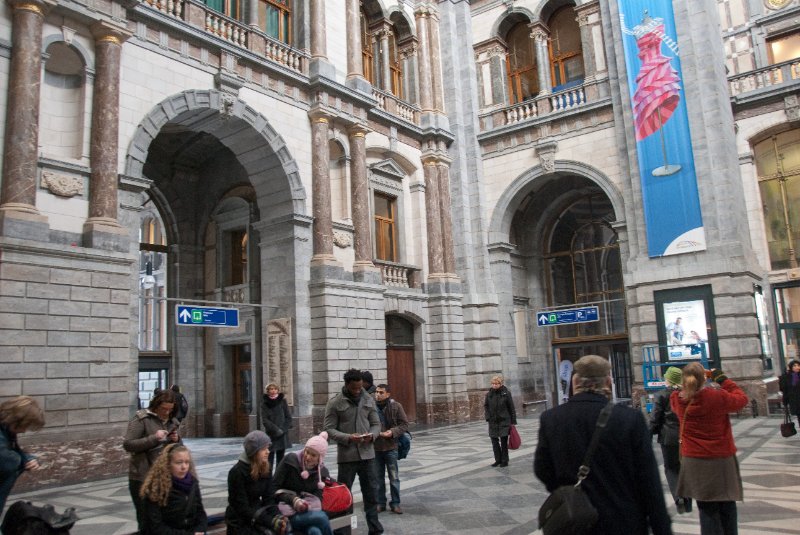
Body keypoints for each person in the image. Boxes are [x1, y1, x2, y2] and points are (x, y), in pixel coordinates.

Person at [534, 355, 672, 535]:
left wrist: (565, 490)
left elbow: (542, 469)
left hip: (575, 523)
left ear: (575, 382)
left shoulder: (551, 418)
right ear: (607, 382)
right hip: (623, 522)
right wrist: (662, 528)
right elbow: (649, 482)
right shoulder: (629, 419)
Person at [671, 363, 748, 535]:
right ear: (704, 378)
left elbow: (679, 393)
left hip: (694, 460)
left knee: (706, 508)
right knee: (727, 504)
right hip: (721, 459)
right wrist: (722, 379)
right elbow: (742, 399)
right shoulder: (717, 397)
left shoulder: (677, 399)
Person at [323, 368, 383, 535]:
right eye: (354, 388)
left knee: (371, 493)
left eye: (360, 387)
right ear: (347, 384)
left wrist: (372, 435)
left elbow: (376, 424)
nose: (357, 391)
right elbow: (329, 429)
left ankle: (375, 528)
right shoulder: (335, 402)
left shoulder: (368, 399)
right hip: (347, 457)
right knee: (344, 495)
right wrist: (348, 438)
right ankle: (344, 530)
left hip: (367, 454)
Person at [123, 388, 181, 533]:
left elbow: (177, 450)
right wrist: (154, 438)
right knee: (147, 521)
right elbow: (128, 444)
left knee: (164, 519)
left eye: (170, 409)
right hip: (143, 477)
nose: (166, 412)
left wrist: (177, 440)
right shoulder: (142, 419)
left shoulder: (172, 421)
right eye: (163, 409)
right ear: (156, 405)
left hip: (165, 477)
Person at [225, 430, 291, 535]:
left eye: (268, 448)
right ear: (254, 452)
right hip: (240, 522)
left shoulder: (265, 467)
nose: (268, 451)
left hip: (259, 515)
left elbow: (269, 498)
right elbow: (242, 508)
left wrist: (278, 517)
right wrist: (271, 521)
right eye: (264, 449)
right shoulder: (237, 472)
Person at [273, 431, 334, 535]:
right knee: (322, 518)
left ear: (320, 458)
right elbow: (273, 488)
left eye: (313, 455)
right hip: (286, 512)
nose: (308, 457)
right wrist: (293, 500)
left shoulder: (322, 472)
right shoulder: (290, 460)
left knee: (315, 531)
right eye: (307, 452)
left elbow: (318, 496)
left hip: (307, 511)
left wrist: (308, 504)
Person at [649, 366, 691, 514]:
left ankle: (678, 497)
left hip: (668, 438)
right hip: (686, 436)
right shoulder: (687, 394)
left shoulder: (661, 395)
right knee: (684, 467)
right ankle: (688, 499)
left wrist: (648, 434)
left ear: (669, 379)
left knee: (671, 468)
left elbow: (655, 418)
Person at [140, 443, 207, 535]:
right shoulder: (155, 488)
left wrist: (200, 529)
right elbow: (155, 527)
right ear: (167, 464)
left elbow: (200, 512)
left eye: (187, 462)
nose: (184, 467)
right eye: (179, 462)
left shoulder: (193, 483)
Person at [0, 396, 44, 514]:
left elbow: (15, 449)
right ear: (15, 420)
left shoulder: (7, 429)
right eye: (25, 426)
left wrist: (29, 459)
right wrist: (22, 461)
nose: (24, 431)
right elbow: (7, 462)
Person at [373, 384, 409, 514]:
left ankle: (395, 503)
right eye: (376, 392)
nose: (378, 395)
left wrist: (392, 432)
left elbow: (404, 424)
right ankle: (380, 503)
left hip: (391, 447)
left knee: (394, 477)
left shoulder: (396, 406)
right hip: (376, 447)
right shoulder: (371, 407)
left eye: (381, 392)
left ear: (388, 394)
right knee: (378, 477)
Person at [484, 374, 516, 467]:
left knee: (503, 442)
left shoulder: (506, 393)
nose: (494, 385)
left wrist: (513, 421)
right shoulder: (489, 394)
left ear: (500, 384)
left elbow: (511, 407)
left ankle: (504, 460)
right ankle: (497, 460)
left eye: (496, 384)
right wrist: (488, 417)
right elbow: (486, 406)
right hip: (493, 421)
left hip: (504, 421)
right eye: (493, 384)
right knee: (494, 442)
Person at [261, 383, 292, 474]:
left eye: (275, 389)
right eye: (271, 389)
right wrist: (276, 430)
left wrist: (282, 430)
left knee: (281, 458)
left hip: (282, 434)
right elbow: (265, 420)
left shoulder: (282, 401)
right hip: (271, 434)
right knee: (269, 457)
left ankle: (278, 476)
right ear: (268, 391)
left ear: (277, 390)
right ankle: (268, 476)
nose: (273, 391)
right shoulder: (264, 403)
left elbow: (288, 417)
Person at [779, 359, 800, 427]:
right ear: (791, 367)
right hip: (795, 401)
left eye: (798, 365)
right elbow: (784, 389)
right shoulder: (787, 377)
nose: (797, 367)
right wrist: (785, 402)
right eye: (794, 366)